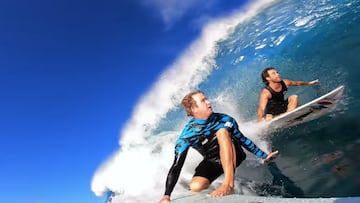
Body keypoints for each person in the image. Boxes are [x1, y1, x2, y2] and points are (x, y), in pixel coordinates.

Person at [158, 90, 278, 203]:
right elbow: (176, 165)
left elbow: (243, 140)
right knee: (195, 186)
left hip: (235, 154)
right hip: (213, 161)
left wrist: (263, 156)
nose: (209, 102)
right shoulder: (187, 135)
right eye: (203, 101)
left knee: (222, 131)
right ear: (194, 109)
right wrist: (166, 195)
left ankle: (228, 185)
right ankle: (222, 186)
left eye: (207, 99)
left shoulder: (225, 120)